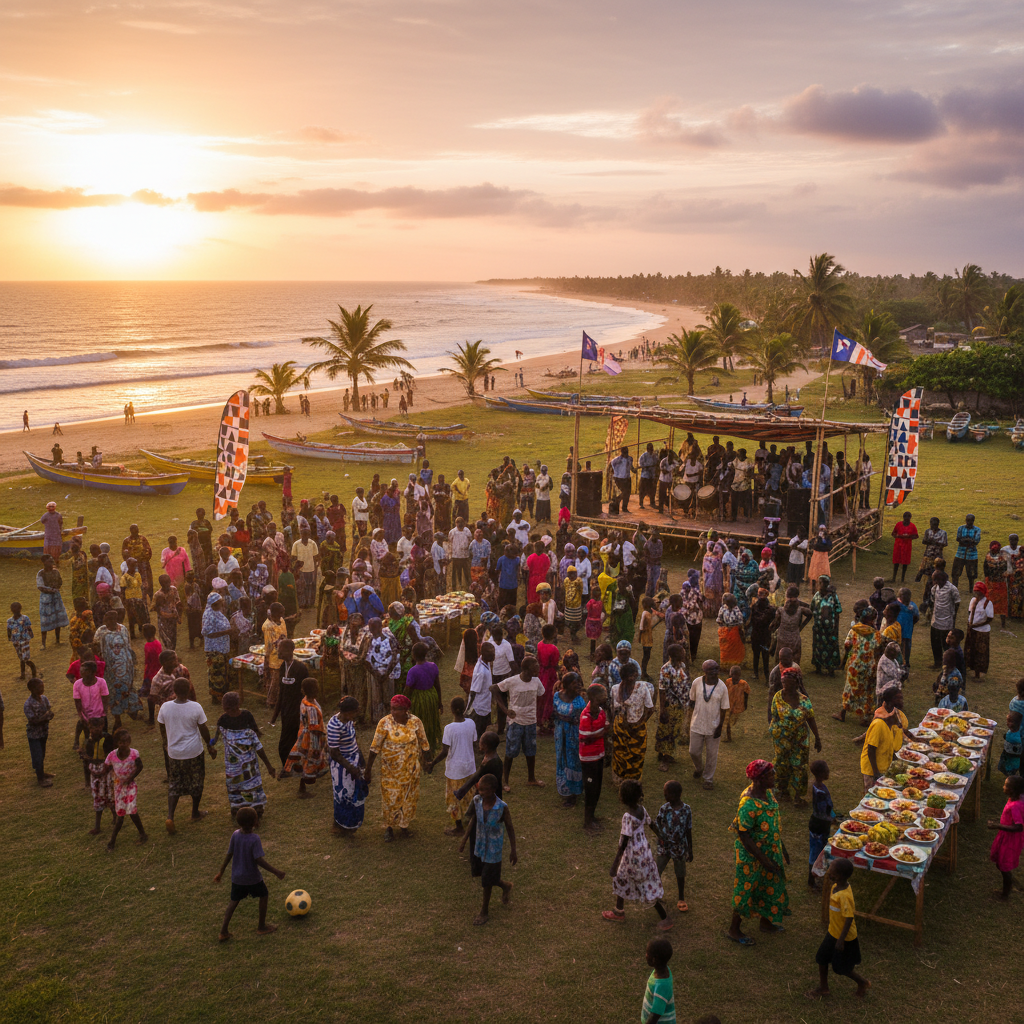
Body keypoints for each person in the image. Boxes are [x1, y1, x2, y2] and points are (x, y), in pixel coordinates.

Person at [726, 760, 789, 945]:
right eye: (771, 775)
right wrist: (762, 859)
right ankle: (734, 930)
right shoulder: (748, 803)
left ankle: (766, 922)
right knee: (746, 889)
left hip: (772, 850)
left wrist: (782, 848)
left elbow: (773, 822)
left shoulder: (768, 793)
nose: (774, 777)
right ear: (760, 780)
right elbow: (744, 836)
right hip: (752, 856)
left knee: (770, 884)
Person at [603, 779, 672, 928]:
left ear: (624, 797)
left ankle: (666, 919)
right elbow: (652, 824)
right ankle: (618, 911)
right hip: (643, 853)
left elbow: (624, 843)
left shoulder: (628, 817)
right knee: (622, 878)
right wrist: (663, 838)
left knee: (645, 887)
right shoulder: (641, 809)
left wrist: (615, 864)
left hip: (633, 857)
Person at [364, 693, 431, 842]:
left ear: (406, 710)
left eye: (397, 709)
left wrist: (428, 762)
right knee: (390, 799)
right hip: (390, 772)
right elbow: (375, 747)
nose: (393, 712)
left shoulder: (415, 722)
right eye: (392, 708)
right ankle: (389, 827)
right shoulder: (384, 723)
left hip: (411, 770)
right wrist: (368, 769)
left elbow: (424, 743)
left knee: (409, 798)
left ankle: (404, 825)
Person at [214, 806, 286, 941]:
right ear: (255, 822)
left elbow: (229, 854)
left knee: (233, 902)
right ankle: (261, 927)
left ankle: (223, 931)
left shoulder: (235, 835)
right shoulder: (254, 839)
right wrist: (276, 872)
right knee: (264, 895)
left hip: (237, 878)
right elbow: (258, 860)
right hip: (252, 878)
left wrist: (221, 872)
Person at [157, 677, 215, 832]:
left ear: (174, 691)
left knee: (174, 783)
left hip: (174, 753)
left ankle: (170, 816)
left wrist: (165, 742)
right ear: (189, 689)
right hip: (193, 751)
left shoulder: (165, 707)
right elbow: (203, 729)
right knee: (197, 781)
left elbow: (161, 725)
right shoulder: (195, 707)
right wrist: (210, 746)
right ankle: (195, 812)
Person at [458, 774, 517, 926]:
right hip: (480, 846)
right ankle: (506, 886)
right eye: (480, 789)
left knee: (486, 881)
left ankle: (484, 911)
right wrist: (464, 840)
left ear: (493, 790)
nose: (481, 792)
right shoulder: (477, 801)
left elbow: (510, 828)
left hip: (493, 850)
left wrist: (513, 850)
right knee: (487, 876)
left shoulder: (501, 807)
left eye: (485, 790)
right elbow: (474, 819)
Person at [807, 858, 870, 999]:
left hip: (844, 937)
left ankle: (862, 982)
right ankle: (824, 988)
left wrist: (841, 941)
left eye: (832, 872)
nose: (829, 873)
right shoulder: (836, 886)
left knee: (841, 968)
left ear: (841, 876)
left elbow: (849, 918)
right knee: (821, 958)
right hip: (832, 933)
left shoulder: (844, 895)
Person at [212, 691, 276, 819]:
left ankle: (255, 809)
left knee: (251, 787)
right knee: (236, 788)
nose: (226, 710)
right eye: (225, 708)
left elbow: (257, 744)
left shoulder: (246, 718)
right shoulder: (223, 720)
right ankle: (238, 808)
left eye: (228, 708)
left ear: (237, 706)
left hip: (248, 766)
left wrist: (269, 766)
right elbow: (216, 737)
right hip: (233, 767)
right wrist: (210, 745)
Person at [491, 656, 547, 791]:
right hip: (516, 722)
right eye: (536, 666)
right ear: (527, 669)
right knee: (510, 751)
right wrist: (505, 710)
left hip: (531, 722)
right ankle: (505, 781)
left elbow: (541, 694)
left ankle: (531, 779)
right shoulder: (512, 681)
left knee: (531, 750)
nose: (538, 668)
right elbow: (493, 689)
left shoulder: (536, 682)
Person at [769, 667, 821, 805]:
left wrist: (817, 737)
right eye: (783, 682)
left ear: (796, 683)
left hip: (800, 739)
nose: (784, 685)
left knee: (799, 766)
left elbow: (810, 719)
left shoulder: (804, 700)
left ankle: (798, 796)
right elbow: (774, 717)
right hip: (782, 739)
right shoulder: (778, 697)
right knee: (781, 764)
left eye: (788, 682)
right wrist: (775, 734)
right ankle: (782, 790)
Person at [428, 696, 478, 835]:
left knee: (454, 798)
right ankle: (472, 820)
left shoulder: (449, 729)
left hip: (455, 770)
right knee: (469, 794)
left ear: (453, 710)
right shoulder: (471, 723)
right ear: (463, 709)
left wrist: (432, 763)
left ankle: (459, 827)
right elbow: (474, 742)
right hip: (469, 767)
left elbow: (445, 751)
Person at [98, 729, 147, 851]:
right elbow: (106, 768)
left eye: (126, 741)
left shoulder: (134, 754)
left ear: (129, 742)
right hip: (119, 788)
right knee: (121, 813)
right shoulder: (112, 756)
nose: (123, 744)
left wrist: (131, 778)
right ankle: (140, 834)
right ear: (116, 743)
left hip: (130, 787)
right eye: (121, 742)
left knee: (131, 810)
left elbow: (140, 766)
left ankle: (113, 842)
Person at [327, 696, 368, 834]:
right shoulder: (334, 726)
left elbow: (354, 743)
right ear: (347, 712)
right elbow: (334, 752)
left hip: (353, 760)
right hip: (341, 766)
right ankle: (339, 824)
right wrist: (350, 768)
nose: (356, 714)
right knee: (343, 796)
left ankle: (350, 823)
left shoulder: (349, 721)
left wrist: (362, 762)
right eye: (355, 711)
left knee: (353, 794)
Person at [688, 660, 729, 791]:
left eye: (716, 669)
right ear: (704, 672)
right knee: (693, 751)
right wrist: (689, 720)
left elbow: (724, 709)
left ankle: (708, 779)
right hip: (697, 723)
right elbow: (692, 701)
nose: (714, 673)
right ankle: (699, 768)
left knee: (712, 754)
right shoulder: (697, 683)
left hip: (714, 726)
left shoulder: (722, 687)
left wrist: (720, 726)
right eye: (711, 670)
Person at [835, 607, 879, 727]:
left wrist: (851, 654)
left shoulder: (854, 630)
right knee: (867, 690)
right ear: (871, 620)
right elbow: (878, 647)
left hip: (855, 665)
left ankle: (843, 713)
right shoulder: (875, 633)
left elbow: (847, 645)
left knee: (850, 689)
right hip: (870, 666)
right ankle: (865, 717)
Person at [653, 780, 692, 914]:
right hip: (664, 847)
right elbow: (657, 824)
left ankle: (681, 898)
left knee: (680, 873)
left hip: (679, 847)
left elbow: (688, 830)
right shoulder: (664, 808)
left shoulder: (686, 810)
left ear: (677, 795)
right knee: (657, 870)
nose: (665, 797)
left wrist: (690, 850)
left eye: (667, 794)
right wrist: (661, 838)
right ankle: (655, 895)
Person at [988, 774, 1024, 902]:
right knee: (1000, 861)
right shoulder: (1015, 798)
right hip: (1005, 836)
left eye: (1006, 786)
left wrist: (997, 825)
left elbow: (1019, 827)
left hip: (1010, 840)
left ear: (1012, 790)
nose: (1003, 787)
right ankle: (1007, 881)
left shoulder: (1015, 806)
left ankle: (1005, 894)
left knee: (1004, 865)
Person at [403, 642, 443, 755]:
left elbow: (408, 690)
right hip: (431, 697)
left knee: (419, 724)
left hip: (419, 700)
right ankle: (430, 746)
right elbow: (438, 685)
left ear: (414, 655)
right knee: (430, 723)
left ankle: (420, 748)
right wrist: (439, 702)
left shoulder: (413, 671)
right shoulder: (433, 666)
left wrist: (403, 704)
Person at [859, 687, 903, 789]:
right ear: (889, 702)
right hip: (872, 770)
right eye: (898, 698)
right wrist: (876, 773)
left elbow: (887, 746)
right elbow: (871, 750)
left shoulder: (890, 725)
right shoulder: (879, 724)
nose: (901, 701)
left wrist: (897, 762)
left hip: (882, 768)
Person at [655, 645, 690, 770]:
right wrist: (663, 710)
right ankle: (665, 760)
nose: (684, 653)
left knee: (673, 730)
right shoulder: (666, 669)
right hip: (670, 705)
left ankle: (662, 754)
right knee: (667, 731)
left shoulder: (682, 666)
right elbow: (662, 690)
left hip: (680, 704)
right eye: (682, 652)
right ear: (675, 655)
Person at [808, 760, 839, 888]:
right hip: (819, 825)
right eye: (827, 771)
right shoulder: (820, 791)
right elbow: (822, 812)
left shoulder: (819, 786)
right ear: (821, 773)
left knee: (821, 849)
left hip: (821, 823)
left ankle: (820, 873)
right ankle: (811, 880)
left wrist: (834, 816)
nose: (829, 773)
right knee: (815, 853)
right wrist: (832, 820)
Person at [201, 593, 232, 703]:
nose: (222, 603)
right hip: (214, 649)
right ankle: (216, 696)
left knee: (221, 671)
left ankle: (221, 694)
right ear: (214, 604)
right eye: (220, 602)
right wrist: (227, 632)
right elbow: (207, 633)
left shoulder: (216, 612)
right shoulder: (210, 615)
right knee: (216, 673)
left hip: (221, 648)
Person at [24, 678, 54, 787]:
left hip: (43, 732)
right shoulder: (28, 704)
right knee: (37, 755)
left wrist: (49, 715)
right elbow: (33, 721)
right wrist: (45, 717)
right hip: (34, 734)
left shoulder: (44, 698)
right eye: (39, 687)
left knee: (42, 753)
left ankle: (41, 773)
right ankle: (40, 779)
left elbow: (49, 711)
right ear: (32, 689)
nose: (42, 689)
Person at [810, 576, 842, 676]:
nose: (819, 585)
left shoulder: (833, 596)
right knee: (818, 645)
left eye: (821, 583)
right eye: (819, 583)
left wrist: (835, 627)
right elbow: (812, 607)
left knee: (830, 646)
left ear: (826, 584)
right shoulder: (817, 595)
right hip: (818, 627)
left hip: (830, 628)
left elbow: (838, 610)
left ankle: (830, 669)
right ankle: (818, 667)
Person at [929, 569, 961, 667]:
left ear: (941, 579)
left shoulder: (952, 589)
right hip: (935, 620)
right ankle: (937, 662)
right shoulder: (934, 589)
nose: (934, 582)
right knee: (935, 643)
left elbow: (957, 602)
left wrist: (953, 616)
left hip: (947, 621)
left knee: (946, 644)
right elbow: (933, 601)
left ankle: (948, 663)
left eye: (935, 579)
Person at [36, 555, 69, 647]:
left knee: (57, 618)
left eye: (52, 561)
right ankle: (43, 644)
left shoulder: (56, 572)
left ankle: (57, 640)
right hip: (46, 598)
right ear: (44, 562)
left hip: (55, 596)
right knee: (45, 620)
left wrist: (56, 588)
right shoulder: (41, 573)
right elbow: (40, 586)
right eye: (49, 561)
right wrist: (51, 590)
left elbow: (60, 582)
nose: (52, 563)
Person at [640, 938, 676, 1024]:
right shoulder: (663, 969)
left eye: (647, 953)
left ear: (654, 959)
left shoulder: (662, 986)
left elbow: (655, 1015)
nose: (645, 955)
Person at [965, 581, 994, 681]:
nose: (976, 594)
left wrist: (977, 624)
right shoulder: (973, 600)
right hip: (972, 629)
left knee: (980, 653)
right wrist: (969, 624)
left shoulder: (987, 603)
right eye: (975, 592)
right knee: (970, 650)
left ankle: (978, 675)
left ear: (982, 592)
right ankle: (968, 669)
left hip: (982, 631)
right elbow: (970, 612)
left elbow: (989, 619)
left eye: (978, 592)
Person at [952, 513, 981, 590]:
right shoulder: (960, 528)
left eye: (970, 521)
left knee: (971, 574)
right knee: (955, 572)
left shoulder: (977, 529)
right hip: (960, 554)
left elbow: (976, 541)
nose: (968, 522)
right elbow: (958, 539)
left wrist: (964, 540)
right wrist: (969, 541)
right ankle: (954, 588)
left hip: (971, 555)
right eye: (967, 520)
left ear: (973, 521)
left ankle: (971, 589)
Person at [7, 602, 34, 680]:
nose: (15, 610)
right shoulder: (10, 620)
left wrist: (31, 635)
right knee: (21, 659)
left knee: (25, 659)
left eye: (17, 608)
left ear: (20, 609)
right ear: (11, 610)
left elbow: (29, 628)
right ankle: (23, 675)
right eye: (13, 608)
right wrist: (10, 638)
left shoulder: (25, 618)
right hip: (16, 642)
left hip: (24, 641)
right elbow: (8, 630)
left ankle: (34, 673)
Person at [716, 594, 745, 667]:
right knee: (735, 650)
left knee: (725, 649)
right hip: (734, 632)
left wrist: (724, 626)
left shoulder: (723, 608)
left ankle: (725, 665)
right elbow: (740, 621)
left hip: (724, 631)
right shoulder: (736, 610)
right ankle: (735, 663)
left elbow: (719, 620)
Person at [724, 665, 750, 742]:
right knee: (727, 722)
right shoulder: (728, 682)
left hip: (738, 706)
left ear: (739, 675)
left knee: (733, 721)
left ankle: (728, 735)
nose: (735, 677)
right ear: (730, 674)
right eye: (733, 675)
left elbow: (746, 694)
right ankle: (728, 737)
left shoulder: (743, 684)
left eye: (736, 675)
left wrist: (745, 704)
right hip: (728, 705)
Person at [890, 511, 918, 583]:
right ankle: (894, 577)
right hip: (898, 545)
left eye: (908, 517)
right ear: (903, 517)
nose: (907, 518)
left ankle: (902, 578)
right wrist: (898, 536)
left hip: (907, 546)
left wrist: (909, 536)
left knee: (905, 562)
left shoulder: (912, 526)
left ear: (910, 518)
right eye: (905, 517)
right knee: (896, 561)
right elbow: (893, 533)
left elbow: (916, 536)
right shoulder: (899, 524)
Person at [996, 710, 1022, 778]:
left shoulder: (1016, 737)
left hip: (1012, 760)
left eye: (1010, 721)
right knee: (1006, 770)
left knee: (1010, 773)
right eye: (1007, 721)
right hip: (1007, 756)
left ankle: (1012, 782)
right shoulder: (1012, 731)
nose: (1007, 723)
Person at [610, 446, 635, 512]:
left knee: (627, 493)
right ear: (622, 452)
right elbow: (612, 464)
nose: (626, 454)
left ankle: (624, 507)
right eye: (624, 452)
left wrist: (633, 470)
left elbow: (631, 467)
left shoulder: (630, 458)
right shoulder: (617, 460)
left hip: (627, 478)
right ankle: (616, 504)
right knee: (622, 493)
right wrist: (614, 472)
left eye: (627, 452)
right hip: (619, 478)